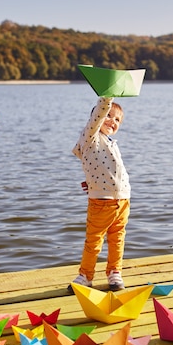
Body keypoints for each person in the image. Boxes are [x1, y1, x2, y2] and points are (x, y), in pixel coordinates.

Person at [69, 96, 130, 292]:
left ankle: (114, 273)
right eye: (108, 115)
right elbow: (98, 116)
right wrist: (107, 97)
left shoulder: (111, 143)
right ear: (96, 117)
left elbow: (104, 168)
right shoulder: (91, 136)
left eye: (118, 120)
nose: (113, 121)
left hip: (122, 200)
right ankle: (85, 275)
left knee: (117, 239)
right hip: (101, 202)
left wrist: (91, 181)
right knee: (94, 240)